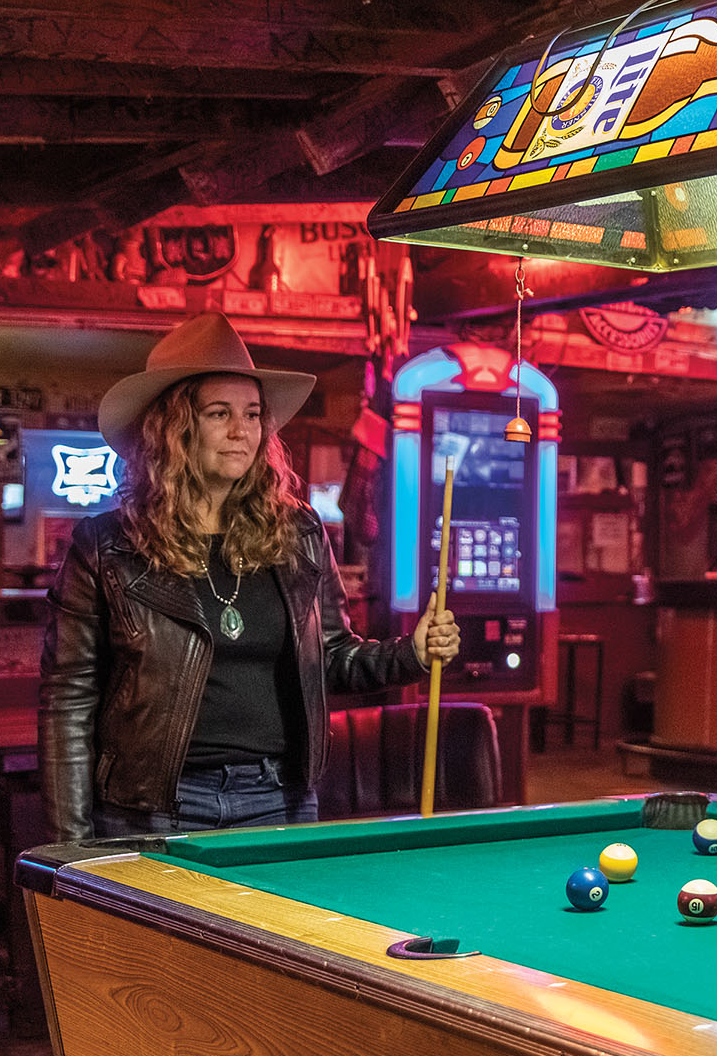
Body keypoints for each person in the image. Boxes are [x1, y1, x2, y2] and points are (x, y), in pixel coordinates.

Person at [40, 314, 460, 844]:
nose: (244, 430)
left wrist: (411, 654)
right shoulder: (106, 547)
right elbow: (68, 702)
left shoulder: (298, 532)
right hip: (156, 807)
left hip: (280, 799)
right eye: (220, 413)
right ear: (174, 428)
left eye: (253, 414)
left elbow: (331, 657)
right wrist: (69, 849)